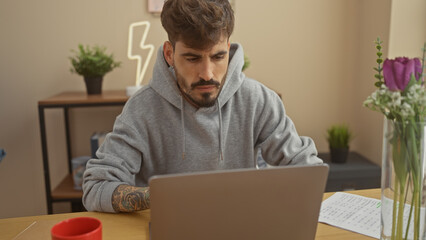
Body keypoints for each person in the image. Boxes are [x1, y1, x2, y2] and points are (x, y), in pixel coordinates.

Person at [82, 0, 323, 213]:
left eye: (218, 57)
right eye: (192, 58)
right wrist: (161, 197)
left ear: (228, 49)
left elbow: (308, 171)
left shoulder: (257, 99)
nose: (207, 74)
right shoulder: (141, 110)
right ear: (169, 54)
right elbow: (96, 187)